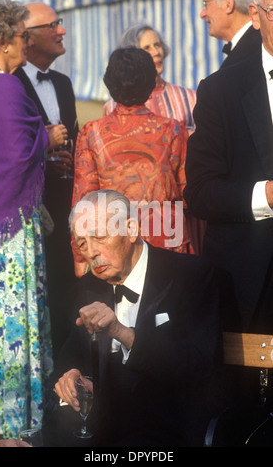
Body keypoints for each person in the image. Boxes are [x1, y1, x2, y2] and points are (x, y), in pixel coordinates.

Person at [51, 189, 225, 447]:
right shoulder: (89, 284)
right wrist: (71, 372)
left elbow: (200, 367)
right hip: (103, 426)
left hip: (169, 426)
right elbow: (72, 348)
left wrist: (122, 332)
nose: (92, 253)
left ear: (131, 230)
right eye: (83, 243)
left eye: (99, 237)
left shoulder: (192, 276)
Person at [0, 0, 66, 440]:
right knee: (13, 322)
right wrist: (48, 138)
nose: (23, 43)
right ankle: (12, 424)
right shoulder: (7, 88)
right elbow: (18, 157)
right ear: (2, 42)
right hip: (10, 232)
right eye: (19, 36)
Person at [184, 0, 272, 336]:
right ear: (255, 15)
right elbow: (201, 193)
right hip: (249, 280)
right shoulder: (220, 90)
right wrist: (265, 194)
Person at [72, 47, 192, 277]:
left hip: (113, 240)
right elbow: (187, 193)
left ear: (109, 83)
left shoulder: (91, 132)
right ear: (150, 84)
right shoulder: (172, 130)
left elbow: (83, 201)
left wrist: (80, 254)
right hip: (165, 236)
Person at [14, 3, 79, 363]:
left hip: (67, 207)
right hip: (31, 214)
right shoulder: (8, 83)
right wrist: (44, 153)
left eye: (60, 22)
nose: (62, 30)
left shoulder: (64, 83)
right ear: (28, 37)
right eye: (53, 25)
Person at [103, 23, 196, 134]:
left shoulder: (189, 98)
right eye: (147, 48)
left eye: (157, 45)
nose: (156, 52)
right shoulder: (113, 107)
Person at [201, 0, 262, 68]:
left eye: (206, 4)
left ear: (228, 4)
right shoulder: (255, 45)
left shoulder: (254, 52)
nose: (202, 14)